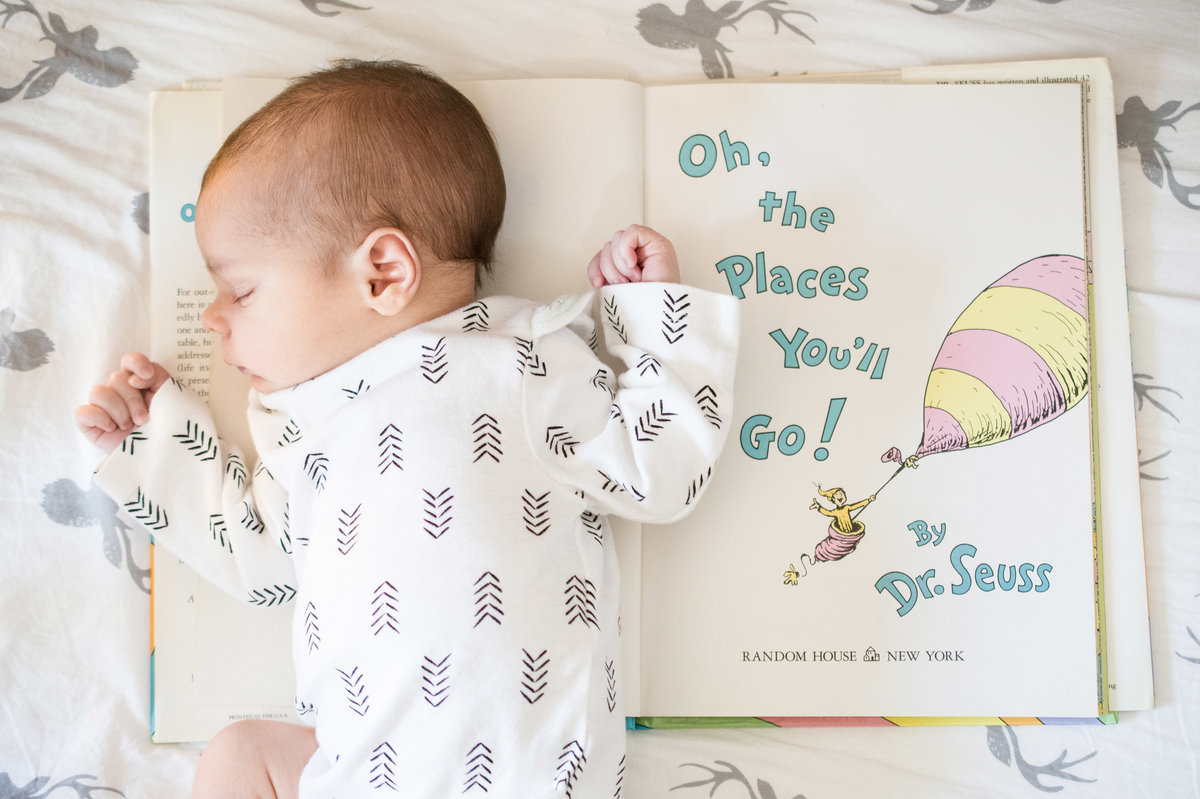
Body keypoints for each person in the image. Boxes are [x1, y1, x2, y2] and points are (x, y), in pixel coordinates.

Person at [74, 60, 739, 798]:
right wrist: (152, 443)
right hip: (359, 775)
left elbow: (659, 468)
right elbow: (259, 557)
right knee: (238, 757)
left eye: (241, 288)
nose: (213, 316)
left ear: (383, 272)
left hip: (530, 775)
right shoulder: (304, 425)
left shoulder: (520, 366)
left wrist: (654, 318)